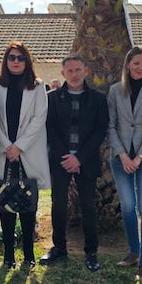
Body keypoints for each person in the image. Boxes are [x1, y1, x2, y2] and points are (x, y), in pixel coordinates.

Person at [41, 55, 109, 272]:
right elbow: (49, 129)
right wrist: (66, 157)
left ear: (85, 71)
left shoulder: (98, 99)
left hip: (85, 161)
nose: (74, 74)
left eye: (78, 70)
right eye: (69, 71)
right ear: (63, 74)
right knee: (58, 205)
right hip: (60, 161)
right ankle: (59, 247)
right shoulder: (51, 98)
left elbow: (100, 131)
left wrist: (78, 158)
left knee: (88, 206)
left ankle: (91, 251)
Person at [0, 42, 50, 269]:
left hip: (26, 153)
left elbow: (39, 118)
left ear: (27, 61)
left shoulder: (37, 86)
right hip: (4, 153)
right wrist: (7, 146)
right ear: (6, 61)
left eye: (21, 58)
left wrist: (19, 147)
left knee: (28, 204)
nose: (16, 61)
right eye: (12, 57)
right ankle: (7, 256)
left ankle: (28, 254)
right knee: (5, 204)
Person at [107, 46, 142, 280]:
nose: (140, 67)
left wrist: (139, 157)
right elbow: (110, 125)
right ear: (128, 64)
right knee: (128, 207)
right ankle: (134, 252)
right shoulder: (115, 91)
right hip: (120, 158)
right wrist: (123, 155)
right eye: (136, 63)